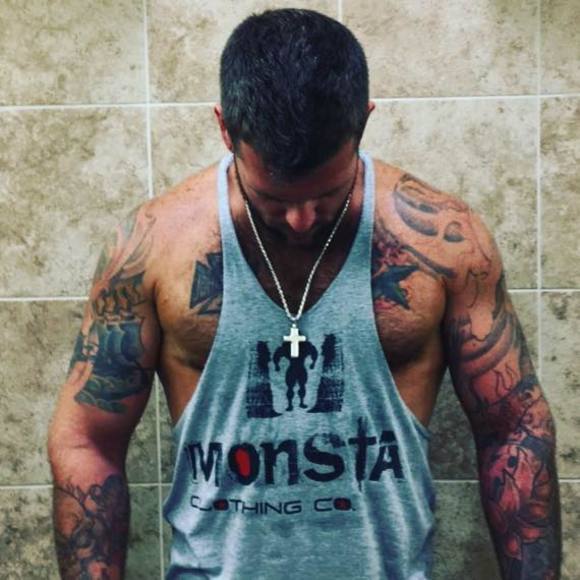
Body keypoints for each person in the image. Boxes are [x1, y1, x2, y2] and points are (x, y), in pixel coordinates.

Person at [47, 8, 561, 579]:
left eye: (327, 194)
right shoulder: (155, 246)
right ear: (225, 129)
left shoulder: (443, 242)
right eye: (273, 197)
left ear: (364, 122)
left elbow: (514, 428)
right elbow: (87, 440)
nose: (300, 220)